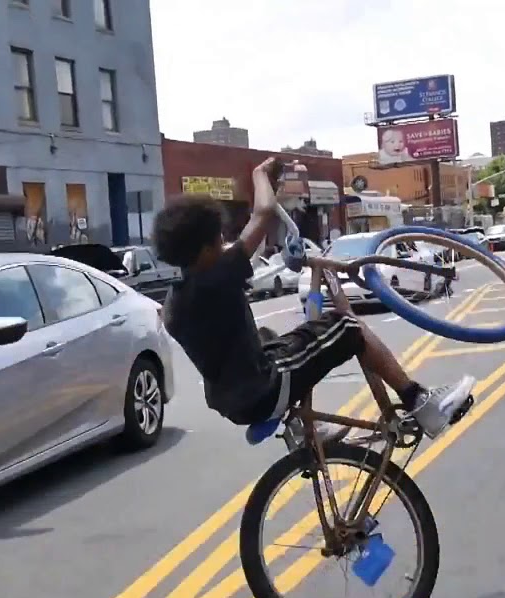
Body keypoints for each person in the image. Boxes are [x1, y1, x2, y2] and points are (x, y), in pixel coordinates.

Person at [156, 157, 475, 437]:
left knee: (274, 338)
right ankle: (419, 400)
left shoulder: (177, 301)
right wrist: (259, 175)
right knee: (347, 326)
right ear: (204, 249)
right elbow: (264, 213)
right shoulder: (216, 279)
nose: (225, 242)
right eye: (219, 238)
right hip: (262, 391)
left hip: (233, 400)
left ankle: (305, 428)